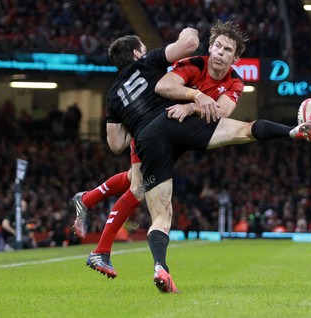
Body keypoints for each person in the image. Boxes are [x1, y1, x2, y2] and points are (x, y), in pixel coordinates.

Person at [79, 21, 311, 292]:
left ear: (235, 58)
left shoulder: (234, 80)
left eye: (227, 49)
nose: (221, 52)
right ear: (210, 47)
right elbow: (164, 86)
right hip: (163, 124)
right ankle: (293, 132)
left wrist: (186, 110)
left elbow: (221, 111)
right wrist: (196, 98)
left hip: (158, 134)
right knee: (141, 187)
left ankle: (158, 267)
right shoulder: (191, 63)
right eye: (218, 46)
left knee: (156, 207)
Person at [73, 21, 245, 279]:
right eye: (143, 48)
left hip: (145, 132)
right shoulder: (149, 63)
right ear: (136, 54)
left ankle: (86, 201)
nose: (147, 49)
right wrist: (192, 29)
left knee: (135, 180)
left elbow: (115, 144)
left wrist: (132, 117)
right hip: (156, 128)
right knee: (138, 188)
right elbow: (188, 43)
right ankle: (101, 248)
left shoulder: (113, 95)